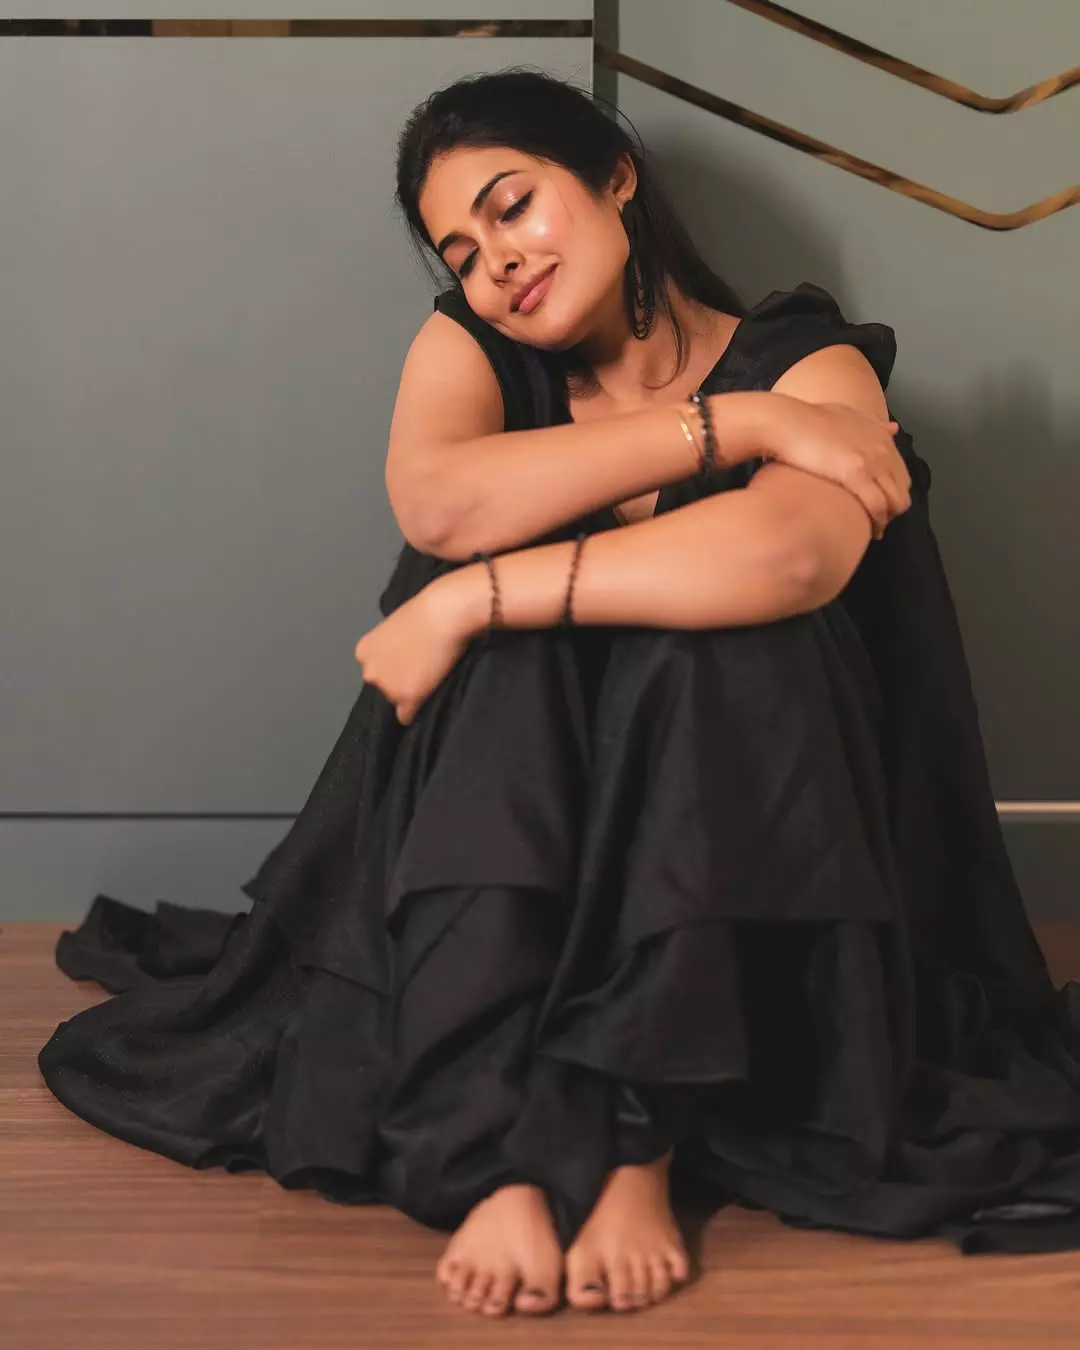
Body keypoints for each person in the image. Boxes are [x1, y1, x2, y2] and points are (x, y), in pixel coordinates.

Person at [38, 68, 1080, 1322]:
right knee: (512, 637)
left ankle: (628, 1133)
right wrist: (736, 432)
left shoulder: (809, 357)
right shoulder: (476, 348)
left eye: (513, 206)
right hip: (523, 796)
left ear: (614, 176)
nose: (498, 265)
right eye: (463, 253)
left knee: (727, 636)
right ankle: (512, 1146)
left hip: (764, 833)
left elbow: (790, 557)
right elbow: (441, 502)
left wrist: (474, 599)